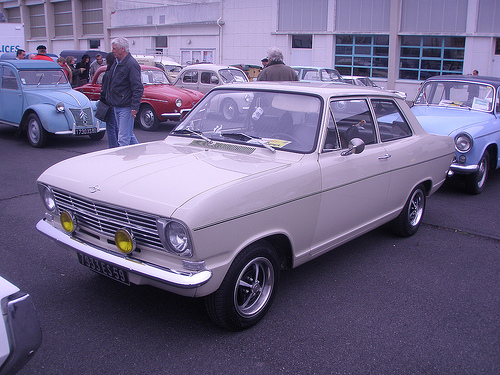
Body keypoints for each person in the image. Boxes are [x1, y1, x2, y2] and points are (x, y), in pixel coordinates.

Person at [102, 37, 143, 147]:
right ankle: (140, 155)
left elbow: (137, 87)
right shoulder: (116, 63)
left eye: (114, 48)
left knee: (123, 138)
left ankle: (122, 162)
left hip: (126, 106)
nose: (113, 50)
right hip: (116, 105)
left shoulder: (131, 64)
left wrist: (135, 107)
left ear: (122, 49)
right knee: (128, 135)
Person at [99, 52, 119, 148]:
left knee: (110, 127)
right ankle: (118, 145)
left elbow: (104, 89)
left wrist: (102, 99)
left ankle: (113, 147)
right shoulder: (117, 71)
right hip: (117, 102)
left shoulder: (107, 73)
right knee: (117, 126)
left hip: (108, 102)